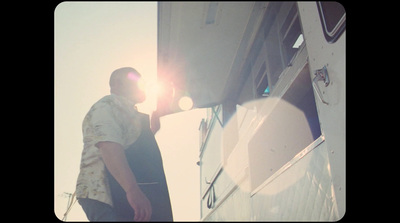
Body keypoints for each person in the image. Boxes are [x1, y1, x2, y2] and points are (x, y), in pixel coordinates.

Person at [75, 67, 173, 221]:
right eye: (137, 81)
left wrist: (153, 129)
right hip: (103, 193)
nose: (143, 85)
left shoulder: (127, 112)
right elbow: (108, 146)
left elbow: (128, 147)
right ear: (117, 83)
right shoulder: (107, 105)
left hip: (118, 192)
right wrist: (132, 189)